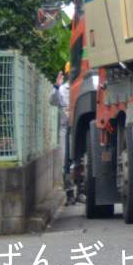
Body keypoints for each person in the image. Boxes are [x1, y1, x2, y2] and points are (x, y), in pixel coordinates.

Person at [50, 64, 72, 203]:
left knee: (80, 160)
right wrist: (56, 87)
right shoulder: (62, 89)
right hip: (65, 129)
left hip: (79, 127)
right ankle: (70, 193)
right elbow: (52, 101)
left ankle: (81, 191)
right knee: (66, 161)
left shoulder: (82, 86)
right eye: (70, 73)